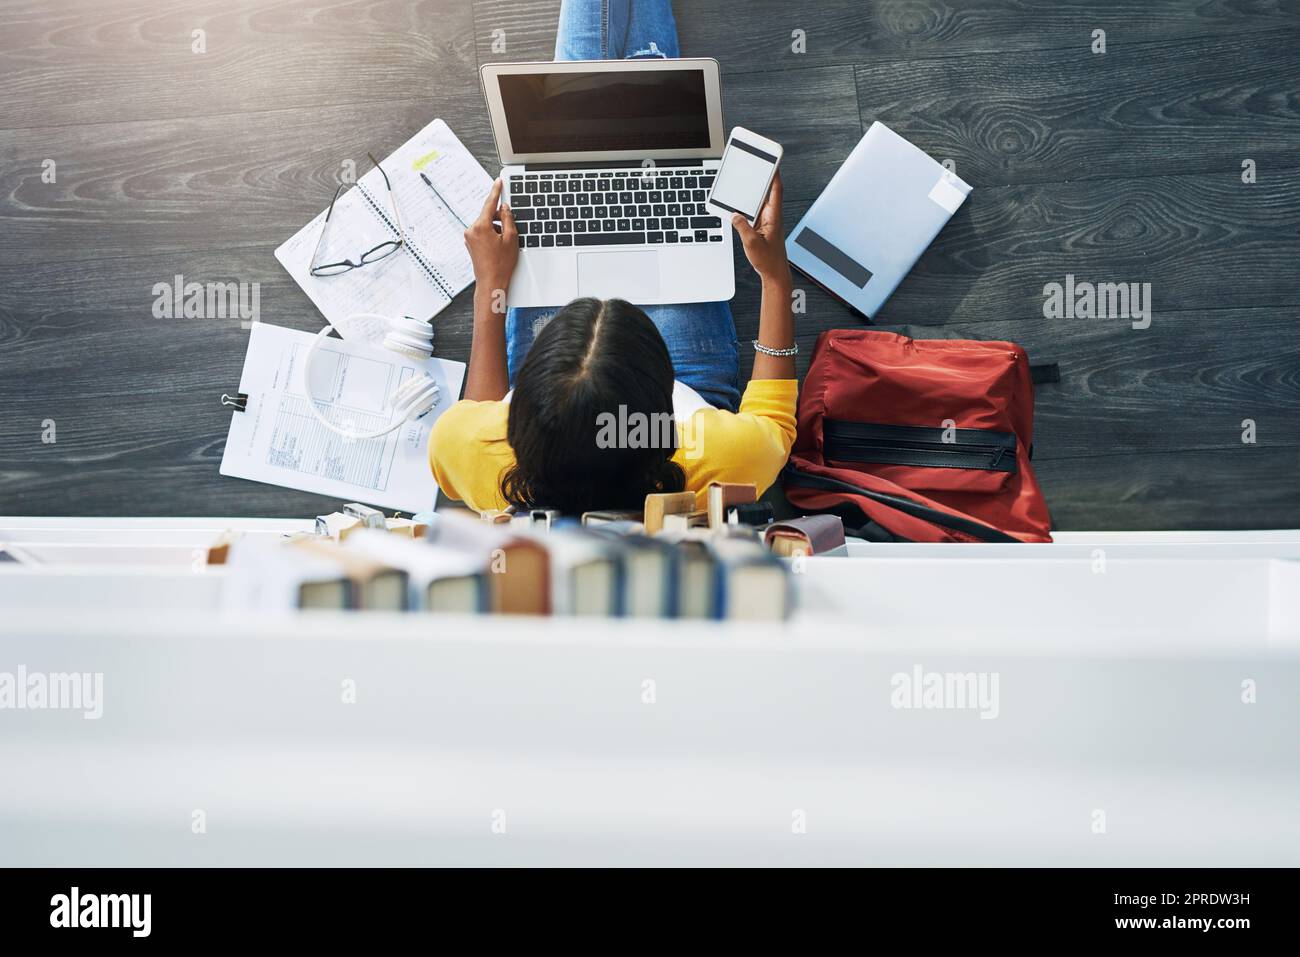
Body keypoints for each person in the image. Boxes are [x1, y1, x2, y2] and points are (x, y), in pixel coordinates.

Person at [429, 0, 798, 516]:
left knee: (571, 124)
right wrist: (777, 280)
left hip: (591, 404)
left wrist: (491, 287)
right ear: (662, 413)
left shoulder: (462, 453)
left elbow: (480, 410)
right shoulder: (723, 456)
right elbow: (775, 421)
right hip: (690, 381)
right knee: (650, 121)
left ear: (520, 423)